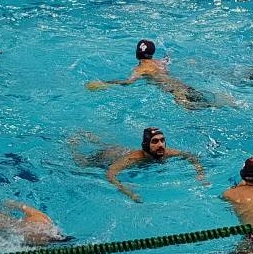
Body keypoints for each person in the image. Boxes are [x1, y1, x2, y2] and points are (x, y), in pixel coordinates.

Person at [86, 39, 216, 110]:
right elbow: (168, 60)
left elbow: (128, 82)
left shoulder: (141, 68)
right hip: (182, 85)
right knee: (209, 104)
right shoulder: (160, 62)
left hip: (173, 92)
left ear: (137, 53)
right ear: (152, 53)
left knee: (196, 109)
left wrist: (105, 83)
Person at [105, 127, 208, 202]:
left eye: (162, 140)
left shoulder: (167, 152)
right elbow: (110, 174)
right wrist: (129, 193)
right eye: (155, 141)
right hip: (106, 158)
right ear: (146, 145)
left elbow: (190, 156)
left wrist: (200, 174)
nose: (160, 145)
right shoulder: (133, 159)